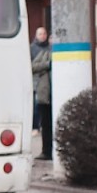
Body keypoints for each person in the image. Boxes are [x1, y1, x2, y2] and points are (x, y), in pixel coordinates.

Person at [30, 26, 53, 162]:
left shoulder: (58, 52)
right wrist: (47, 64)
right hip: (44, 93)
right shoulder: (41, 52)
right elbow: (33, 66)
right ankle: (46, 151)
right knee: (46, 123)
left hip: (55, 93)